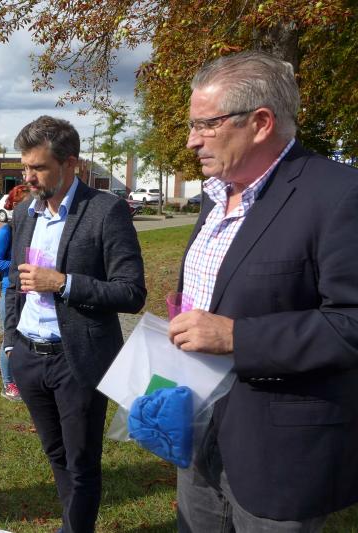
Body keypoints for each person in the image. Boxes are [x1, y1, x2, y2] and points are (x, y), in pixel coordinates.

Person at [169, 51, 358, 531]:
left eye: (205, 125)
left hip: (278, 452)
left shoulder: (339, 195)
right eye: (192, 125)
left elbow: (351, 322)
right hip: (197, 427)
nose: (192, 140)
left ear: (260, 123)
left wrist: (237, 337)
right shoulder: (216, 195)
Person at [4, 115, 146, 532]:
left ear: (71, 164)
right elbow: (14, 283)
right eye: (25, 167)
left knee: (81, 462)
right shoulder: (25, 214)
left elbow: (131, 292)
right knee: (56, 455)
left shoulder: (105, 210)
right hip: (29, 357)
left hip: (77, 360)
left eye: (38, 167)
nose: (28, 177)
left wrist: (64, 284)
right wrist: (11, 343)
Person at [0, 184, 29, 401]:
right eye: (26, 203)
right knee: (10, 338)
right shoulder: (7, 231)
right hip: (10, 292)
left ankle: (22, 379)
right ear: (14, 206)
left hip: (30, 292)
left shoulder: (32, 229)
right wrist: (19, 267)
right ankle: (8, 384)